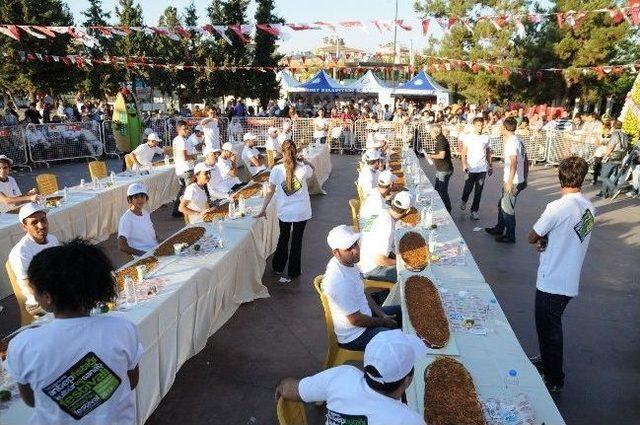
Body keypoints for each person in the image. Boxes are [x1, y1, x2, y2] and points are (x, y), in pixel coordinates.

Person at [6, 239, 142, 424]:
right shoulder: (123, 329)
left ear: (47, 297)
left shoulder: (23, 344)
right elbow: (131, 382)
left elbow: (31, 400)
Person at [528, 157, 594, 394]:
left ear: (560, 176)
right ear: (582, 178)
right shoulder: (589, 207)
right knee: (550, 327)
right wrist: (550, 240)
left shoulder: (557, 207)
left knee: (549, 330)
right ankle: (547, 362)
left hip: (551, 279)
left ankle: (555, 377)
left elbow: (532, 235)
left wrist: (544, 239)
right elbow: (572, 236)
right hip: (569, 277)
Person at [276, 329, 425, 425]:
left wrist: (283, 384)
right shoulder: (409, 420)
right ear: (407, 380)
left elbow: (290, 389)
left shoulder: (342, 376)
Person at [322, 225, 402, 350]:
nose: (356, 250)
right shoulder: (339, 281)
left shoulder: (349, 263)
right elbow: (356, 320)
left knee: (403, 312)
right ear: (336, 253)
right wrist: (383, 322)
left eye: (355, 244)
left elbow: (363, 293)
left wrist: (382, 315)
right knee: (398, 341)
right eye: (349, 248)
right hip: (355, 335)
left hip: (366, 316)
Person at [256, 140, 314, 283]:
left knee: (283, 237)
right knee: (297, 241)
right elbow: (313, 170)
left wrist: (263, 209)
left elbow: (270, 191)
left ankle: (278, 266)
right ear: (296, 152)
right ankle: (294, 270)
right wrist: (304, 160)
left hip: (285, 212)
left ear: (282, 153)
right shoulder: (303, 168)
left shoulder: (276, 169)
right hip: (302, 211)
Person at [8, 203, 60, 316]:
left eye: (43, 220)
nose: (41, 226)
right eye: (34, 223)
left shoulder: (52, 239)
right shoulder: (20, 252)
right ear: (24, 227)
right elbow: (28, 285)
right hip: (38, 302)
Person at [486, 117, 527, 243]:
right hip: (517, 180)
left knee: (507, 209)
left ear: (504, 128)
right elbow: (526, 160)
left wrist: (509, 182)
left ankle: (510, 235)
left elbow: (514, 163)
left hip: (512, 181)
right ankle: (499, 227)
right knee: (502, 204)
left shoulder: (511, 142)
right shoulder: (519, 140)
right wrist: (525, 178)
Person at [359, 191, 412, 283]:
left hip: (362, 258)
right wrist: (399, 262)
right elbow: (379, 260)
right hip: (370, 269)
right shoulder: (388, 228)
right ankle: (384, 294)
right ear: (408, 211)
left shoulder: (379, 211)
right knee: (409, 274)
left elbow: (367, 229)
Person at [460, 117, 492, 220]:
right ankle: (464, 200)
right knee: (468, 189)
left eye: (482, 125)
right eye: (478, 125)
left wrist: (490, 165)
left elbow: (488, 153)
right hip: (471, 168)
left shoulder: (486, 137)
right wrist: (464, 165)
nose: (480, 127)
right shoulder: (468, 137)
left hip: (482, 169)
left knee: (478, 191)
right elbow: (463, 152)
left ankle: (474, 211)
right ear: (474, 126)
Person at [118, 183, 158, 257]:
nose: (140, 200)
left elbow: (149, 232)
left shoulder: (145, 213)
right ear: (130, 200)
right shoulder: (126, 218)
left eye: (142, 196)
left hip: (156, 249)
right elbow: (122, 246)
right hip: (144, 256)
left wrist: (160, 240)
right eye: (136, 197)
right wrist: (144, 255)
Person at [426, 124, 453, 213]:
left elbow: (442, 155)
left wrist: (431, 155)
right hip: (441, 169)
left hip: (444, 169)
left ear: (435, 132)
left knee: (442, 191)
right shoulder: (439, 139)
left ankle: (447, 209)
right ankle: (440, 206)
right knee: (437, 189)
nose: (430, 134)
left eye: (431, 132)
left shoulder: (441, 140)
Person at [172, 120, 197, 217]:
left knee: (183, 190)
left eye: (188, 128)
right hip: (187, 169)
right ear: (179, 130)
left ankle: (176, 210)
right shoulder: (182, 141)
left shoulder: (176, 140)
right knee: (189, 192)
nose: (187, 130)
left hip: (180, 170)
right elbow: (185, 157)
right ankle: (189, 212)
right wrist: (193, 157)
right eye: (185, 129)